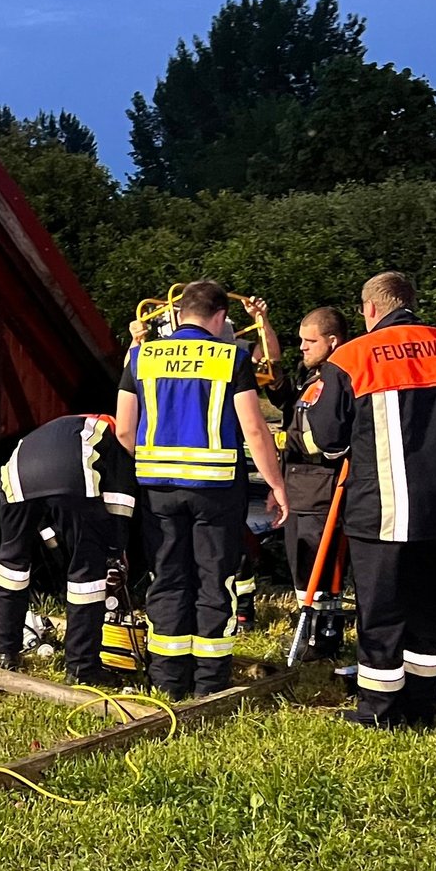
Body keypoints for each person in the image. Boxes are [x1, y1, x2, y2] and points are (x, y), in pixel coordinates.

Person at [307, 271, 436, 727]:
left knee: (382, 611)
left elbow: (329, 440)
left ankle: (378, 709)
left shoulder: (352, 358)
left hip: (382, 508)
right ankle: (422, 703)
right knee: (433, 608)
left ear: (370, 309)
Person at [117, 281, 287, 700]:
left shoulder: (141, 356)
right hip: (215, 490)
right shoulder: (231, 356)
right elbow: (253, 427)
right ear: (219, 318)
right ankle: (210, 683)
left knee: (167, 578)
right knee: (215, 580)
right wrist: (277, 485)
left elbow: (123, 428)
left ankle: (167, 680)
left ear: (177, 314)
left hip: (157, 489)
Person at [0, 413, 137, 684]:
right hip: (71, 474)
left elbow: (47, 516)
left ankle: (4, 651)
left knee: (11, 564)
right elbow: (119, 502)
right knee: (87, 575)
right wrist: (115, 552)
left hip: (14, 476)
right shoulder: (114, 437)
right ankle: (82, 669)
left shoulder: (59, 428)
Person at [265, 305, 351, 658]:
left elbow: (327, 439)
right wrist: (264, 323)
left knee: (322, 566)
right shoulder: (309, 376)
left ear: (332, 341)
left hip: (320, 487)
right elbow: (275, 377)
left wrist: (281, 443)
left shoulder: (337, 379)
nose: (302, 347)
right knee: (301, 565)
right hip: (298, 483)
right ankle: (312, 634)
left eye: (309, 341)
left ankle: (323, 637)